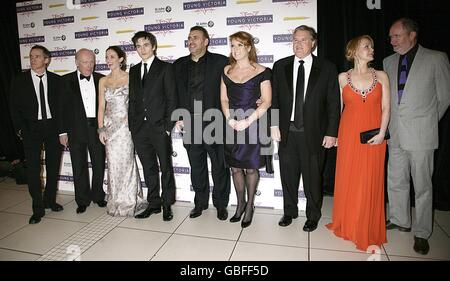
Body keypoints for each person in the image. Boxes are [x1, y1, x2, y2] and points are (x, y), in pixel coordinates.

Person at [383, 18, 450, 255]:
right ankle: (400, 219)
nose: (392, 41)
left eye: (397, 36)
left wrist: (427, 123)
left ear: (412, 35)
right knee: (396, 179)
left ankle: (422, 232)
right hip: (396, 133)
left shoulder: (436, 58)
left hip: (422, 134)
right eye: (391, 37)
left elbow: (444, 98)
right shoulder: (388, 62)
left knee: (423, 187)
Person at [271, 25, 340, 231]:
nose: (298, 44)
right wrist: (274, 124)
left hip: (315, 133)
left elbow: (333, 103)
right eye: (295, 40)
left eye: (303, 40)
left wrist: (331, 132)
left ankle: (313, 215)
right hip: (287, 131)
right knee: (288, 175)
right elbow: (273, 99)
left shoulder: (327, 68)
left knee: (313, 178)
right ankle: (289, 211)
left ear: (313, 43)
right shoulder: (280, 66)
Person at [326, 35, 390, 251]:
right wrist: (336, 136)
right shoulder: (342, 77)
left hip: (375, 136)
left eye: (372, 45)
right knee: (350, 178)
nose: (371, 49)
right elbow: (338, 110)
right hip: (350, 134)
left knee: (369, 180)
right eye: (366, 46)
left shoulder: (381, 75)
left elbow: (386, 108)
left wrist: (382, 133)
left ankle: (366, 226)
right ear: (353, 51)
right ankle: (349, 223)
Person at [173, 26, 231, 220]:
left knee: (219, 166)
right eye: (189, 38)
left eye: (196, 38)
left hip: (215, 122)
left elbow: (233, 88)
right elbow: (173, 95)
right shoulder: (178, 65)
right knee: (196, 166)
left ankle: (221, 204)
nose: (191, 41)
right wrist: (177, 117)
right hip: (189, 123)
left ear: (206, 41)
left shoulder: (221, 62)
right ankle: (200, 203)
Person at [220, 31, 272, 228]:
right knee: (235, 168)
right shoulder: (226, 71)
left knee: (250, 167)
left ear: (249, 47)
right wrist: (230, 119)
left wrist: (247, 121)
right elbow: (224, 99)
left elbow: (266, 101)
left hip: (254, 124)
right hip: (231, 124)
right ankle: (240, 204)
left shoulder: (262, 71)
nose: (235, 50)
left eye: (240, 45)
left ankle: (250, 206)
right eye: (232, 45)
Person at [9, 45, 64, 224]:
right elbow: (14, 108)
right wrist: (20, 129)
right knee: (33, 169)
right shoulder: (19, 80)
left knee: (53, 165)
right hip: (31, 129)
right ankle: (37, 208)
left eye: (37, 56)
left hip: (52, 128)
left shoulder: (57, 80)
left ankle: (50, 200)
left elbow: (62, 108)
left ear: (46, 60)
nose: (33, 59)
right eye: (31, 56)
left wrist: (62, 130)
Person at [129, 31, 177, 221]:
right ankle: (154, 203)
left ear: (154, 46)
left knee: (165, 167)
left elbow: (172, 98)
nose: (142, 49)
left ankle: (167, 204)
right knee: (148, 167)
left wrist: (167, 126)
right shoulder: (133, 70)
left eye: (146, 45)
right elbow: (133, 100)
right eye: (138, 46)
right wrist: (133, 125)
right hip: (140, 129)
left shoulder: (165, 68)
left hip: (159, 127)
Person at [97, 46, 146, 217]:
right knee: (113, 165)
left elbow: (136, 103)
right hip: (110, 128)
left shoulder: (130, 78)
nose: (108, 60)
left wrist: (130, 120)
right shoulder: (103, 81)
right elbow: (101, 107)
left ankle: (131, 200)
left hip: (126, 127)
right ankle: (116, 200)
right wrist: (101, 129)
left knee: (127, 164)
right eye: (106, 57)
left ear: (121, 59)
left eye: (112, 56)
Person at [61, 49, 107, 214]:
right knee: (78, 165)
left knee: (99, 164)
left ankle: (98, 196)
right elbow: (61, 110)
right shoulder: (65, 81)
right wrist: (62, 132)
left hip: (97, 129)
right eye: (85, 62)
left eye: (92, 61)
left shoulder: (101, 79)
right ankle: (82, 200)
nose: (90, 65)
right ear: (77, 63)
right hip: (75, 129)